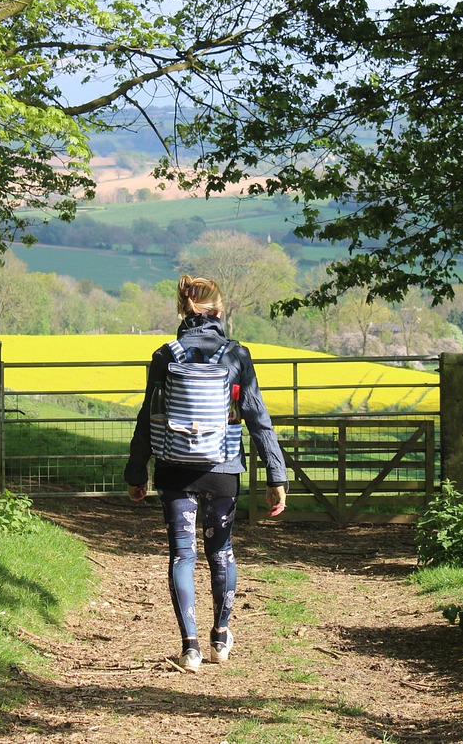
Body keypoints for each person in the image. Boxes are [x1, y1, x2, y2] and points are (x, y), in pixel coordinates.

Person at [125, 274, 288, 672]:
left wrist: (136, 472)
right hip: (223, 469)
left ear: (183, 310)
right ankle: (220, 636)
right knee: (221, 552)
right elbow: (258, 418)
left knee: (182, 555)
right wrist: (276, 476)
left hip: (174, 469)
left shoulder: (165, 355)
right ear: (219, 311)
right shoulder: (236, 355)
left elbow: (148, 418)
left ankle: (190, 648)